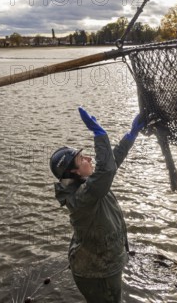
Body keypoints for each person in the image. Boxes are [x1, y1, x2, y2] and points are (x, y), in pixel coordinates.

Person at [50, 106, 144, 303]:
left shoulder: (88, 184)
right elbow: (107, 169)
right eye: (82, 158)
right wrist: (99, 134)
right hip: (97, 272)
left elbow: (111, 162)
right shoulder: (82, 196)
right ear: (74, 172)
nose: (89, 158)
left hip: (103, 265)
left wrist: (131, 135)